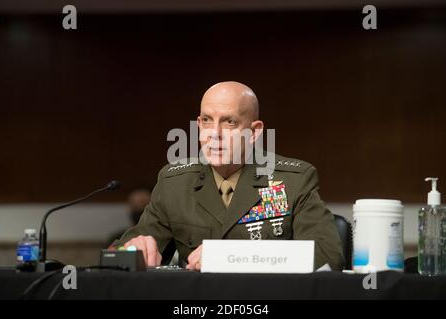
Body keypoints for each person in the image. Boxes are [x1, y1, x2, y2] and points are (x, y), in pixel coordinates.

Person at [111, 81, 345, 271]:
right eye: (206, 120)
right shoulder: (175, 182)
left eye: (229, 122)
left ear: (254, 132)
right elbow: (116, 257)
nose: (215, 134)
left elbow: (327, 256)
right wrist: (133, 250)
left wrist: (229, 256)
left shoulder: (293, 179)